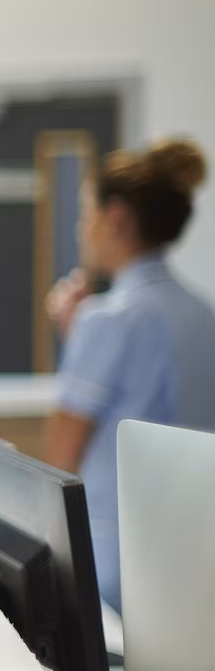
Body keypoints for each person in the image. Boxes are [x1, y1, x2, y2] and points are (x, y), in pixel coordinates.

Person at [43, 137, 215, 612]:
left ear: (115, 216)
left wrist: (79, 339)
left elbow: (59, 460)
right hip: (194, 556)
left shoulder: (110, 319)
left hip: (116, 568)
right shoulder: (203, 315)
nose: (82, 228)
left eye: (86, 213)